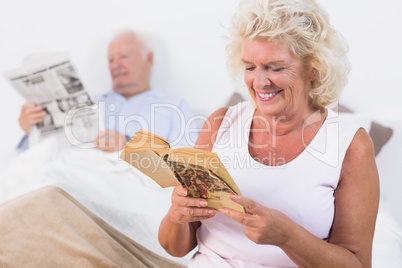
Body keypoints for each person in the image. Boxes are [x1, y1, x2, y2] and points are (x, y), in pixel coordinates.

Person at [158, 0, 379, 267]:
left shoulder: (351, 144)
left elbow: (357, 263)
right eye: (250, 67)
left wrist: (288, 236)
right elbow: (175, 247)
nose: (260, 82)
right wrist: (177, 215)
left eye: (275, 67)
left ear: (314, 68)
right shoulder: (220, 123)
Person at [17, 29, 195, 153]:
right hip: (76, 181)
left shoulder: (175, 107)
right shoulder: (89, 103)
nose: (116, 65)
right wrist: (31, 130)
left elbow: (187, 163)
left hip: (136, 189)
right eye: (110, 60)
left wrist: (132, 147)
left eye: (124, 57)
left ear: (148, 59)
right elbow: (41, 157)